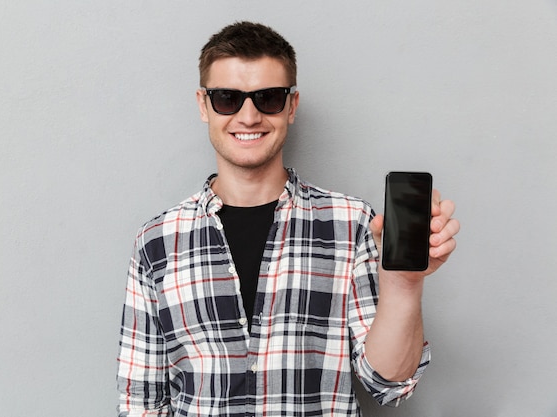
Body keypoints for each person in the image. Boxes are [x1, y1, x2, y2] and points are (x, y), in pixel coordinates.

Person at [116, 21, 460, 417]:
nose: (248, 116)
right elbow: (141, 404)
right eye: (227, 98)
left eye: (269, 98)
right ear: (203, 104)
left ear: (291, 106)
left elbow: (388, 381)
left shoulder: (351, 224)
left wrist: (403, 283)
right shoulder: (158, 240)